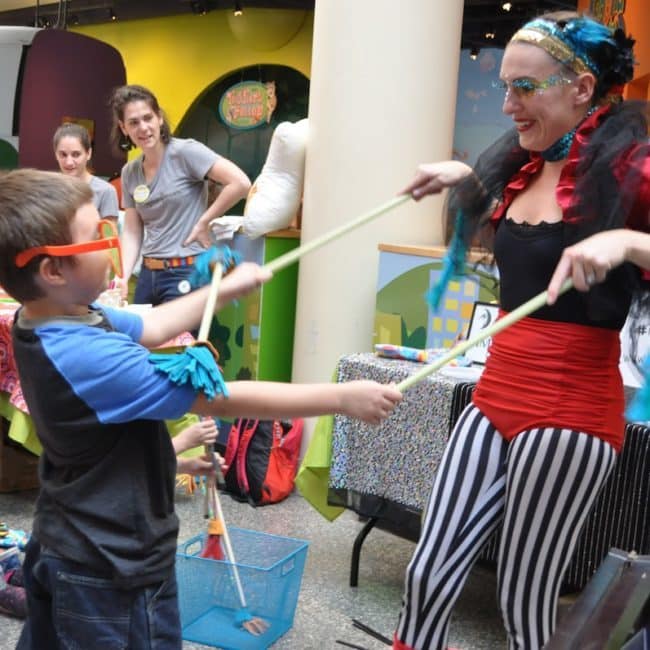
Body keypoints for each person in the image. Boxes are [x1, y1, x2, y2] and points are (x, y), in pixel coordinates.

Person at [0, 168, 402, 650]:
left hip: (66, 541)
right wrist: (340, 398)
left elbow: (153, 327)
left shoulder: (52, 317)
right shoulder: (88, 357)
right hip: (111, 568)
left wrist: (223, 291)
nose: (112, 243)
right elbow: (221, 396)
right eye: (98, 234)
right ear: (53, 270)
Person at [395, 12, 649, 650]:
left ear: (582, 88)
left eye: (524, 88)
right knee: (427, 573)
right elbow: (530, 242)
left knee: (523, 595)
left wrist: (625, 240)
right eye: (504, 87)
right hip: (497, 388)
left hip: (572, 405)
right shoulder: (519, 165)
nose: (507, 105)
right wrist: (469, 181)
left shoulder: (631, 169)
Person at [109, 84, 251, 305]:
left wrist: (204, 222)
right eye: (134, 122)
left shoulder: (185, 152)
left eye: (148, 118)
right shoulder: (130, 172)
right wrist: (123, 276)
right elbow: (132, 231)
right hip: (147, 274)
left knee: (183, 341)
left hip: (186, 271)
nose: (143, 128)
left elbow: (240, 183)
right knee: (140, 340)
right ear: (123, 128)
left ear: (159, 118)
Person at [53, 122, 120, 226]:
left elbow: (109, 237)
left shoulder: (106, 191)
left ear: (88, 154)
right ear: (56, 154)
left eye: (76, 154)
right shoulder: (49, 189)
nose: (69, 162)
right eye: (63, 154)